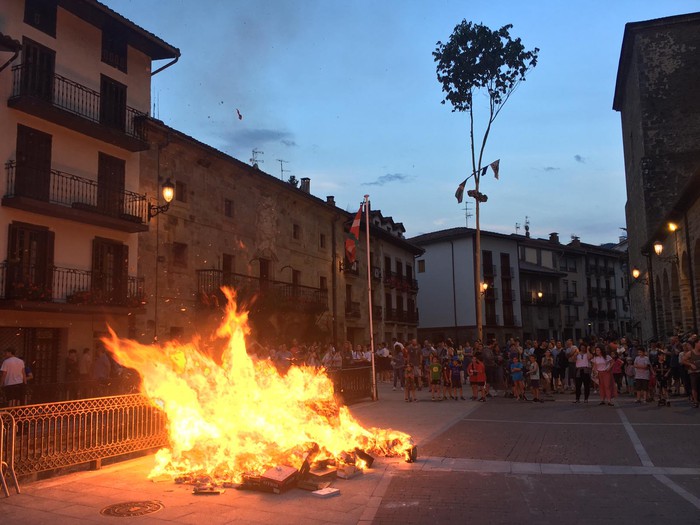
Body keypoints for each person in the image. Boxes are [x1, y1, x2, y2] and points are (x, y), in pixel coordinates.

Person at [682, 339, 700, 408]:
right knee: (694, 387)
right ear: (696, 344)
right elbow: (683, 361)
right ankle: (695, 401)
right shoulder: (690, 353)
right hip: (693, 373)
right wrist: (690, 364)